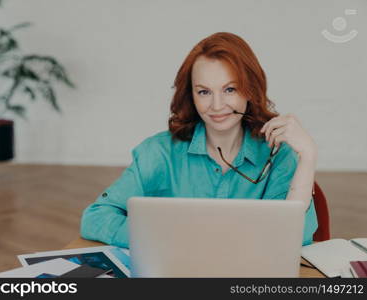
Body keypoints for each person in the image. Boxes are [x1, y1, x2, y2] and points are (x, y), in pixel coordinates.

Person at [80, 32, 318, 248]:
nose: (216, 106)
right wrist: (163, 239)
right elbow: (96, 217)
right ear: (191, 95)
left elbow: (295, 236)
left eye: (230, 89)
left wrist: (308, 155)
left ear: (250, 90)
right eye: (204, 92)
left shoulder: (277, 153)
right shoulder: (157, 152)